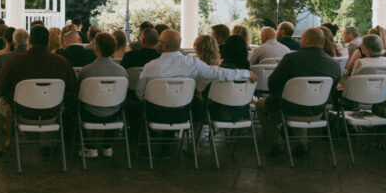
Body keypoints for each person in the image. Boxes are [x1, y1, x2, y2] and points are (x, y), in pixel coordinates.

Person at [0, 25, 77, 157]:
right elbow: (72, 88)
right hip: (52, 113)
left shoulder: (14, 62)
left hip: (20, 113)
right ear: (48, 42)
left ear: (30, 41)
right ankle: (47, 144)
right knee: (48, 101)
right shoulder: (62, 63)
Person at [256, 27, 340, 155]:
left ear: (306, 41)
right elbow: (331, 91)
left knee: (261, 104)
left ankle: (276, 142)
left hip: (288, 109)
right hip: (318, 111)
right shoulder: (334, 65)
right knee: (300, 100)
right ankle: (302, 143)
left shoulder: (291, 59)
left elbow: (272, 84)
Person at [136, 30, 253, 101]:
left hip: (154, 112)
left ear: (165, 46)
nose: (157, 43)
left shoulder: (150, 67)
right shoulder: (193, 63)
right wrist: (246, 73)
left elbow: (140, 93)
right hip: (184, 112)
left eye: (159, 41)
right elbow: (218, 73)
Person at [77, 32, 128, 158]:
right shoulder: (122, 72)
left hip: (89, 114)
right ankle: (107, 146)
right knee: (112, 103)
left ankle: (89, 146)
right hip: (113, 114)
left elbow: (79, 93)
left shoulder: (86, 71)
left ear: (96, 48)